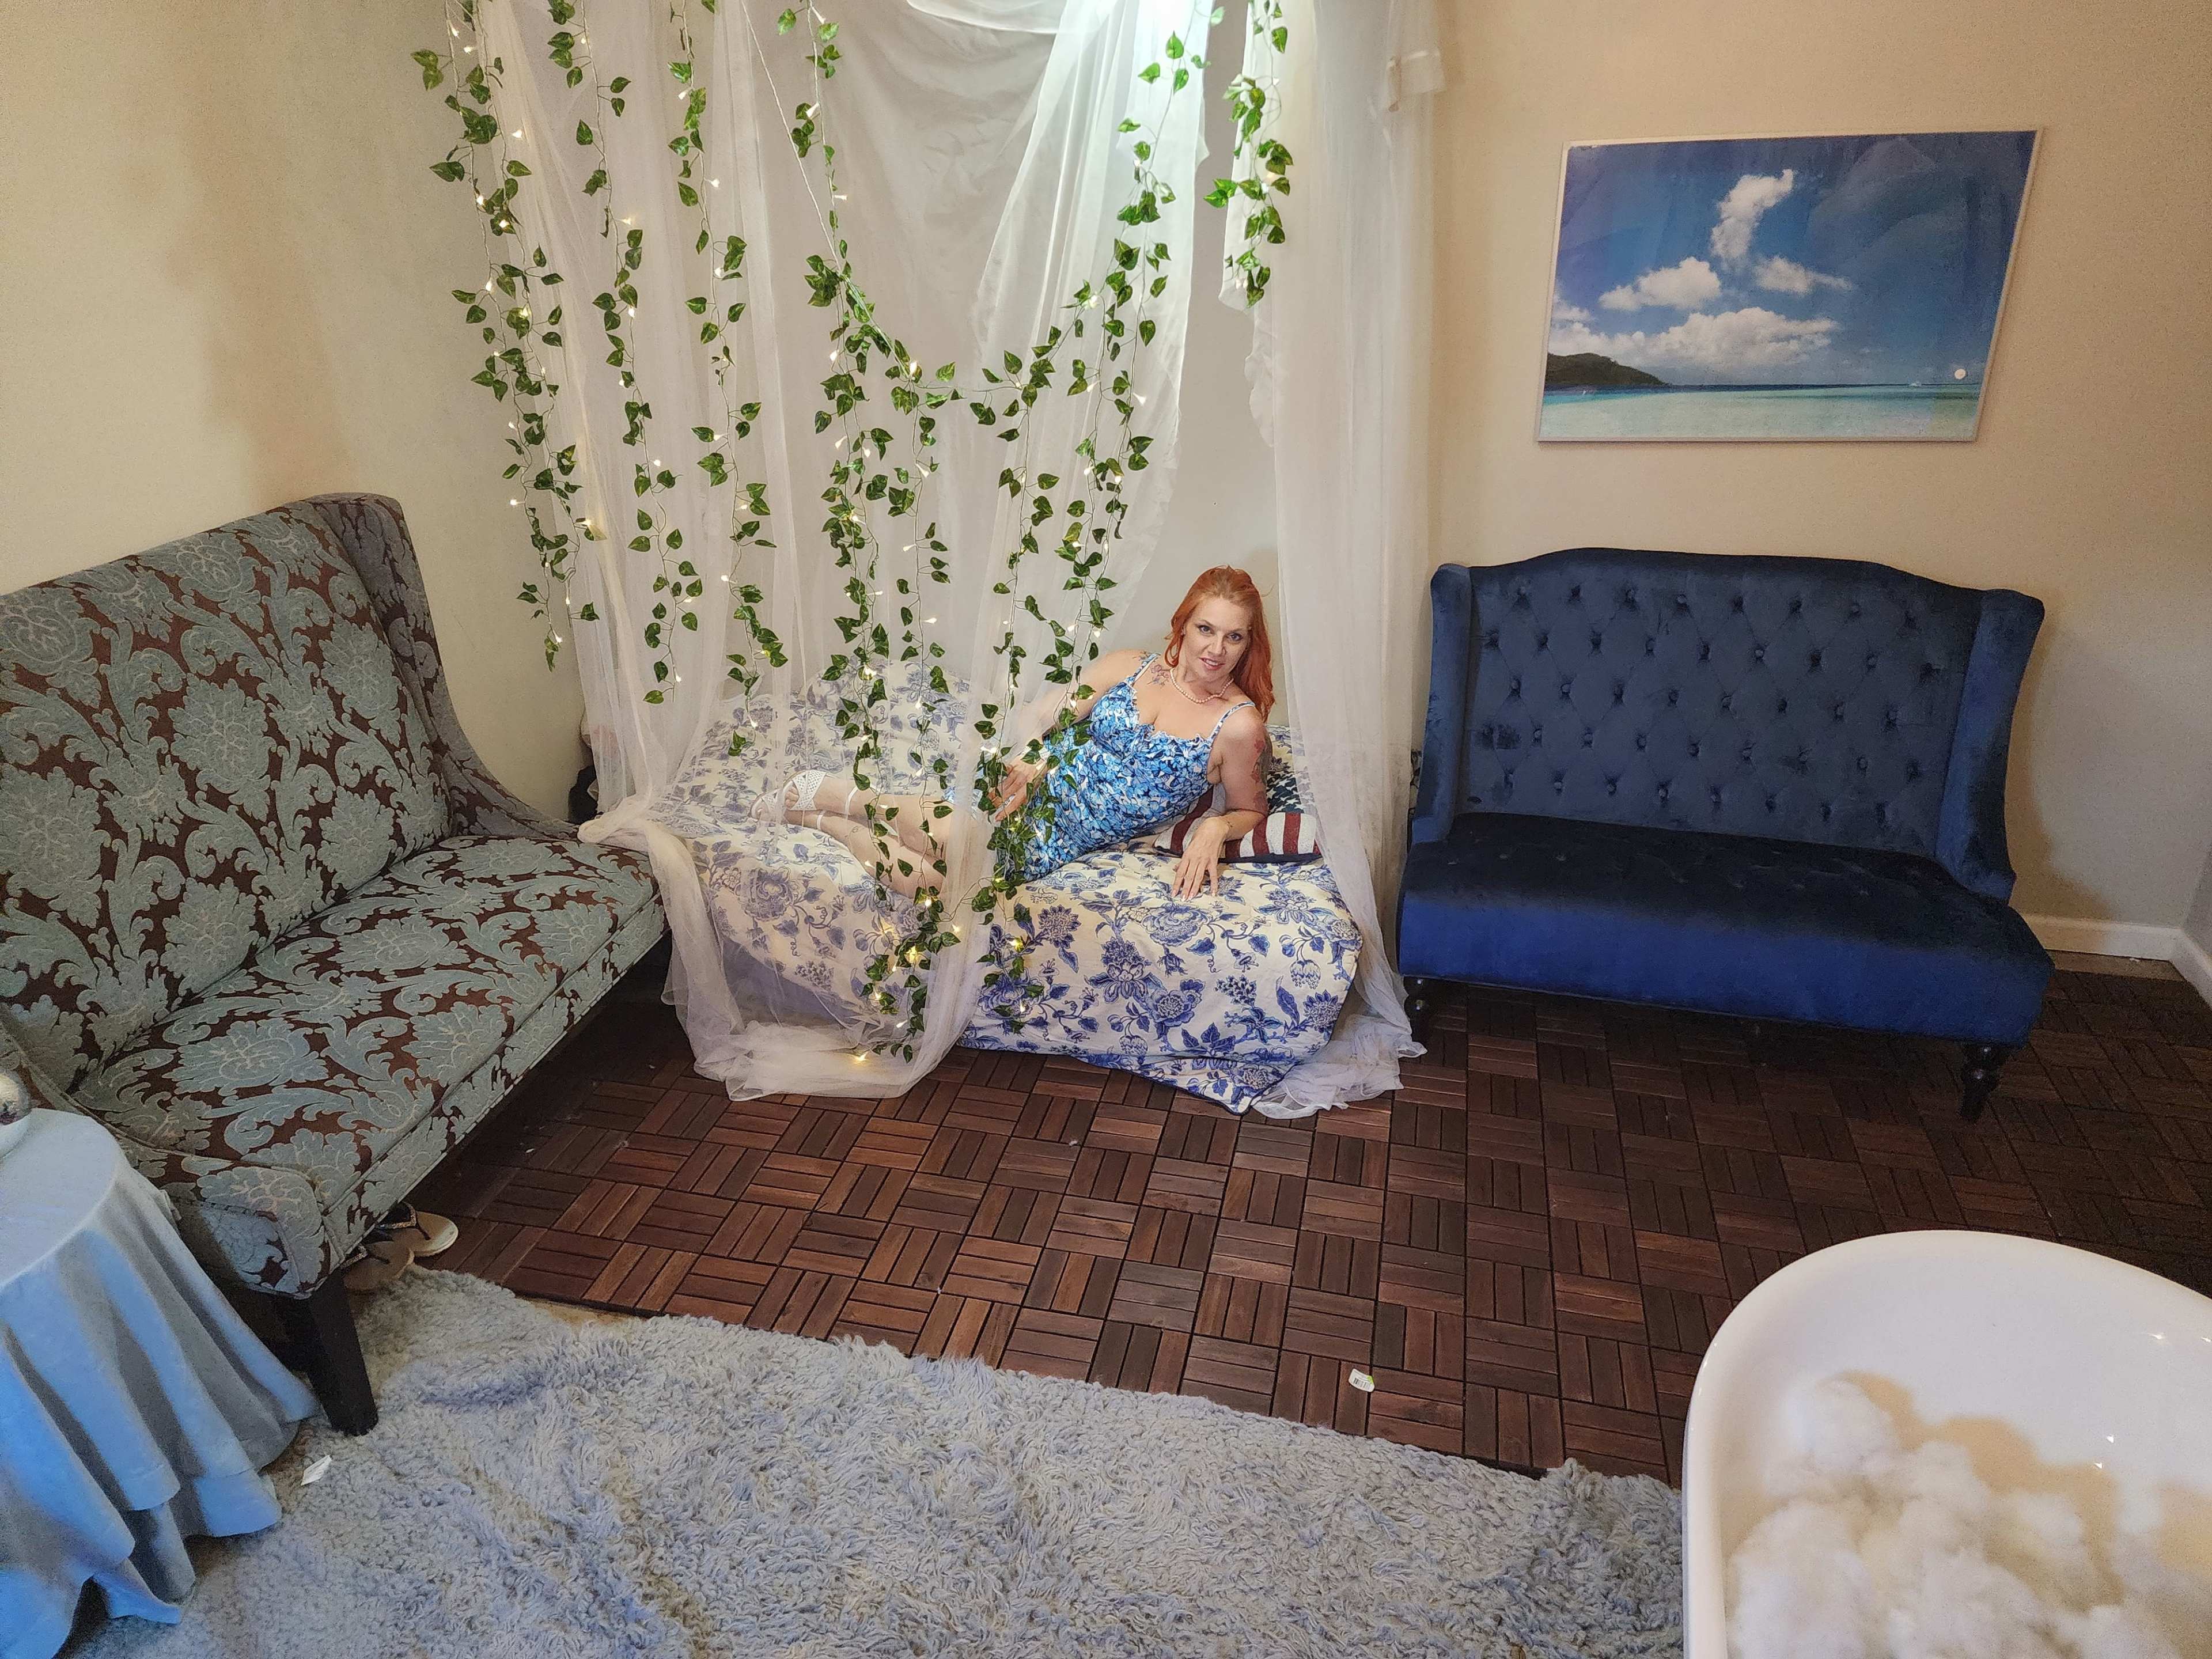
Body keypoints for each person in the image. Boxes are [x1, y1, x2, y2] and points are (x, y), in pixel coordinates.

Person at [757, 566, 1275, 902]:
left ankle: (816, 817)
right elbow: (1048, 711)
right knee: (959, 841)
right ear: (1184, 625)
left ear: (1248, 645)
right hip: (1027, 786)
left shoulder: (1239, 725)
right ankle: (842, 795)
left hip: (1066, 832)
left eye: (1234, 637)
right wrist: (1029, 758)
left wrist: (1214, 827)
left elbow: (1252, 809)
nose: (1217, 649)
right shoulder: (1131, 666)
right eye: (1206, 629)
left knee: (944, 886)